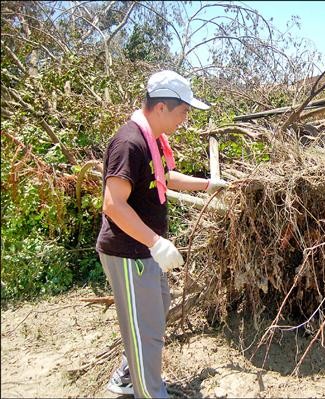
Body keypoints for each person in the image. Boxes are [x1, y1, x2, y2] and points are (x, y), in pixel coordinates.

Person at [96, 70, 228, 398]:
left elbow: (165, 177)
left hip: (144, 251)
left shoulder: (152, 140)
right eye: (183, 111)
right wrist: (155, 242)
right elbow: (113, 205)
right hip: (128, 252)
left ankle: (127, 376)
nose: (185, 119)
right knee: (147, 332)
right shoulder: (130, 142)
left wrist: (208, 185)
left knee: (158, 310)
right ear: (161, 109)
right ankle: (150, 392)